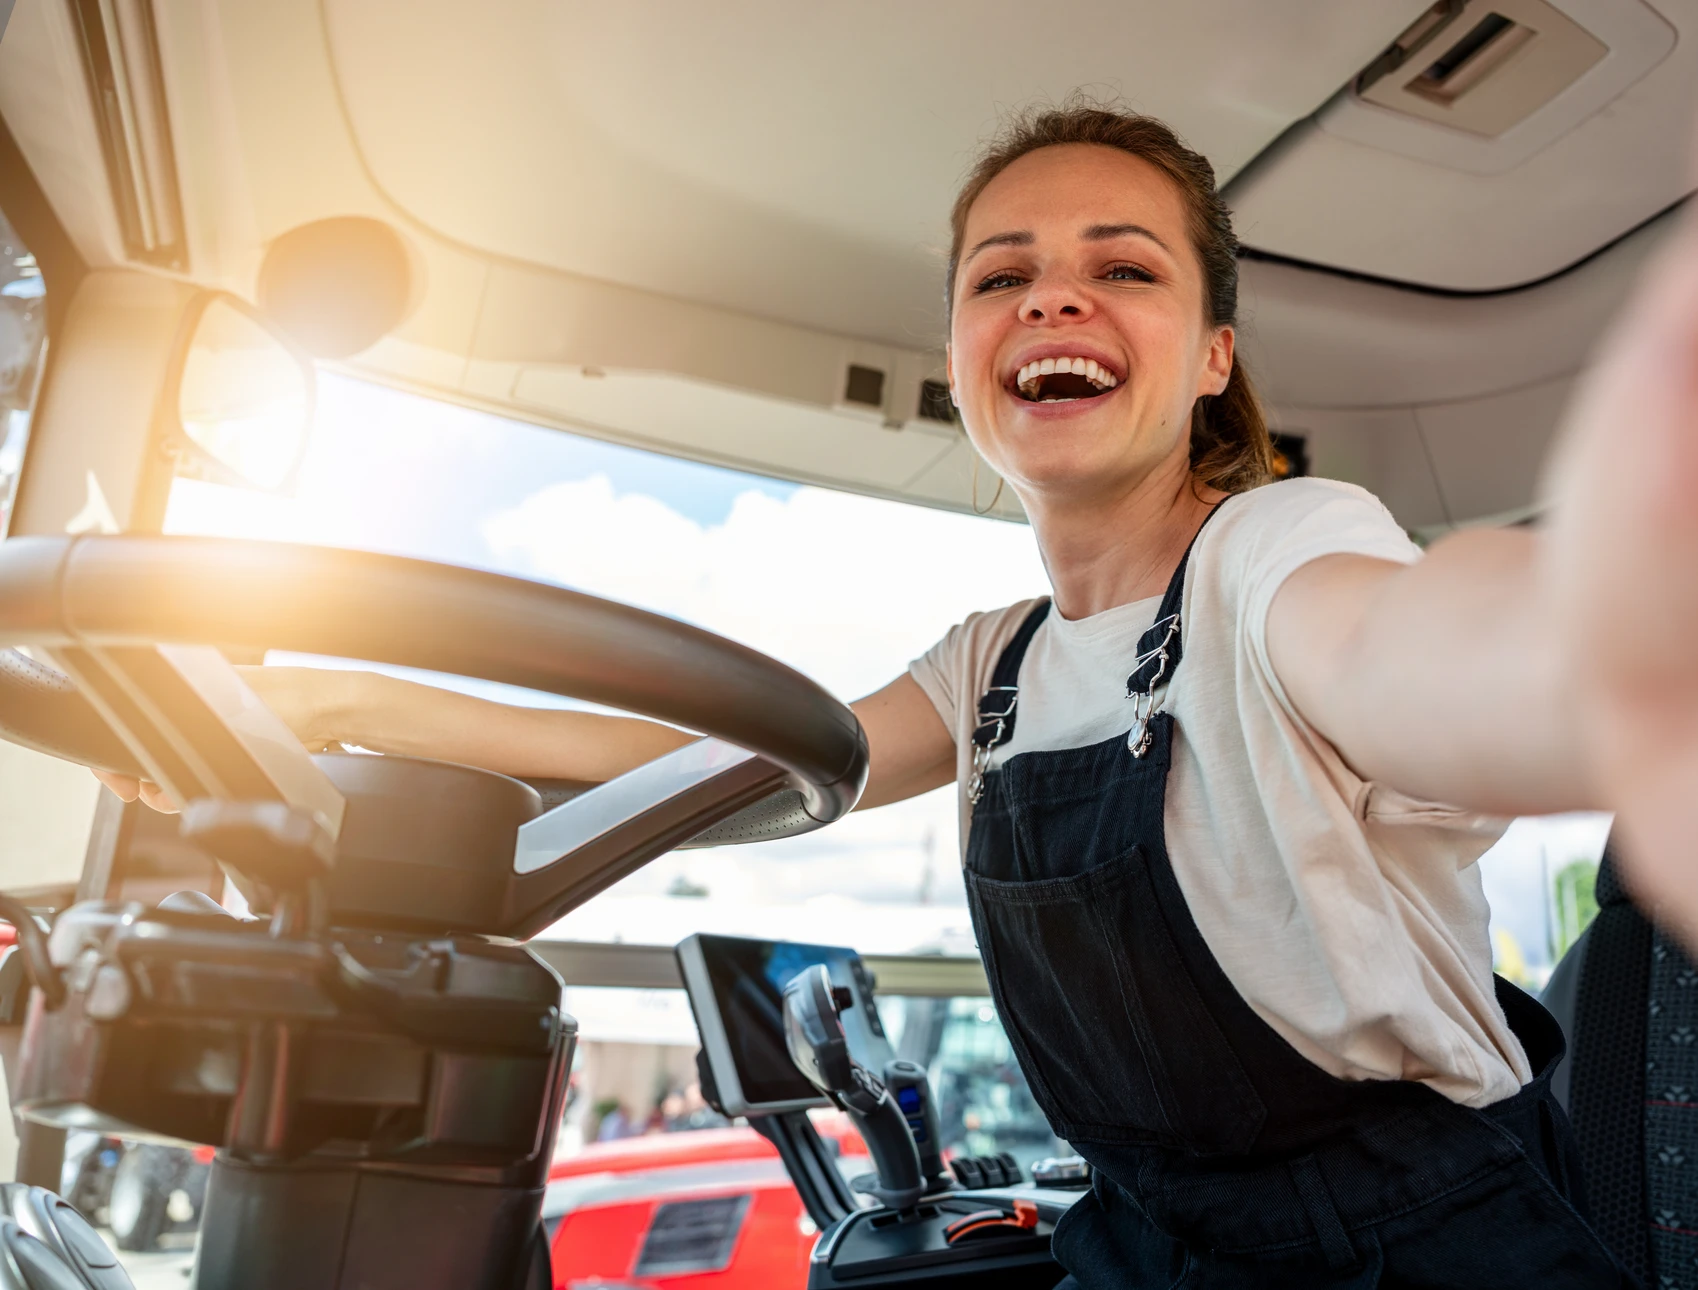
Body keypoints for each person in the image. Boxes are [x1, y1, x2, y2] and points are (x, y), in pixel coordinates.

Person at [100, 101, 1698, 1285]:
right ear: (958, 358)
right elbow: (708, 758)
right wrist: (346, 710)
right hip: (1141, 1238)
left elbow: (1406, 647)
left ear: (1212, 355)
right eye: (1004, 276)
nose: (1052, 298)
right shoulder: (987, 664)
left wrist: (1599, 659)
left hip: (1415, 1242)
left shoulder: (1277, 551)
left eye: (1121, 266)